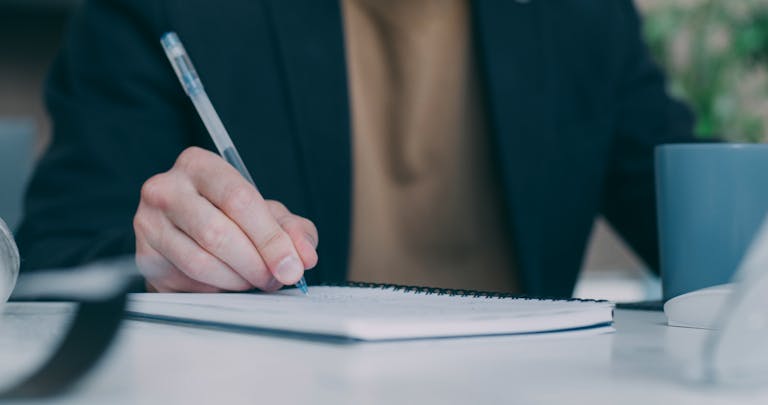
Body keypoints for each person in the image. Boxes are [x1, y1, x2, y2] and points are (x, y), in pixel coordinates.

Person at [16, 0, 695, 297]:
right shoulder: (169, 8)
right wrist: (160, 260)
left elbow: (703, 221)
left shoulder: (583, 17)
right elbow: (51, 265)